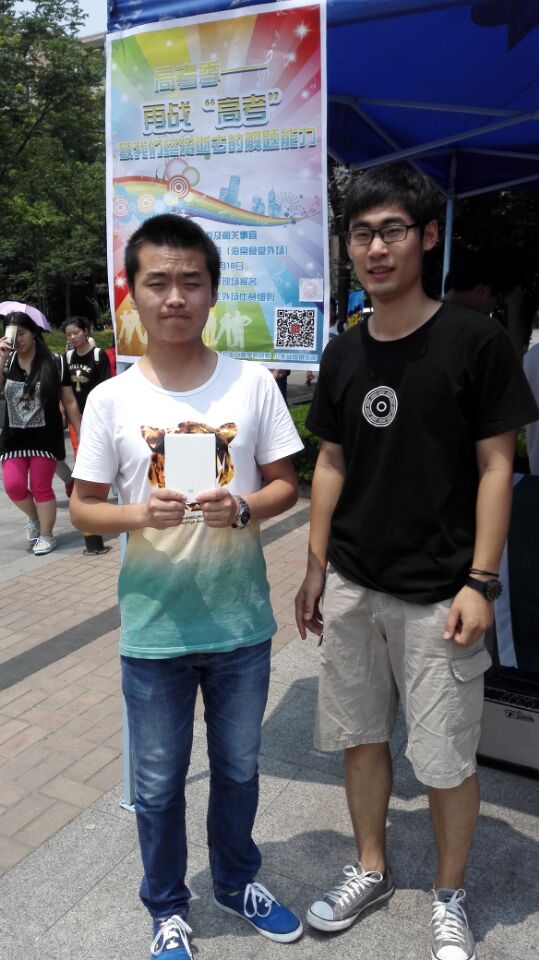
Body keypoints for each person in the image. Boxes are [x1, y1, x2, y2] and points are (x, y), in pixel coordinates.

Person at [294, 163, 538, 960]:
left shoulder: (473, 342)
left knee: (442, 757)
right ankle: (370, 867)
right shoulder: (343, 352)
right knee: (360, 737)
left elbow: (498, 466)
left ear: (427, 236)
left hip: (441, 592)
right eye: (361, 233)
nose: (375, 247)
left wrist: (480, 581)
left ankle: (448, 891)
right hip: (353, 584)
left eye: (391, 230)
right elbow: (331, 461)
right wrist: (314, 567)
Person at [69, 213, 304, 960]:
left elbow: (286, 484)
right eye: (159, 282)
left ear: (212, 292)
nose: (175, 297)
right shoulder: (112, 399)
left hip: (240, 624)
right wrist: (140, 514)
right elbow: (83, 506)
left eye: (191, 282)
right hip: (155, 626)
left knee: (238, 768)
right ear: (132, 293)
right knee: (157, 781)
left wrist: (243, 506)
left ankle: (235, 882)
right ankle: (167, 907)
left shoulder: (252, 384)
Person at [0, 312, 81, 555]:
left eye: (22, 333)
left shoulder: (55, 361)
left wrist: (81, 432)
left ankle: (46, 534)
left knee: (40, 486)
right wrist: (1, 357)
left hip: (45, 436)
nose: (18, 340)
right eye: (13, 334)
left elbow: (69, 400)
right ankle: (34, 517)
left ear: (34, 333)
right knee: (13, 486)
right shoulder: (7, 361)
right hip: (13, 438)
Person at [63, 315, 111, 554]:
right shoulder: (67, 358)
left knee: (102, 464)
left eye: (76, 333)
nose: (73, 337)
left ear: (86, 331)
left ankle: (100, 509)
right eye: (69, 334)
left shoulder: (98, 355)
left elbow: (105, 386)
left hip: (97, 419)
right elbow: (65, 390)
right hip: (77, 419)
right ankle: (92, 528)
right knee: (83, 463)